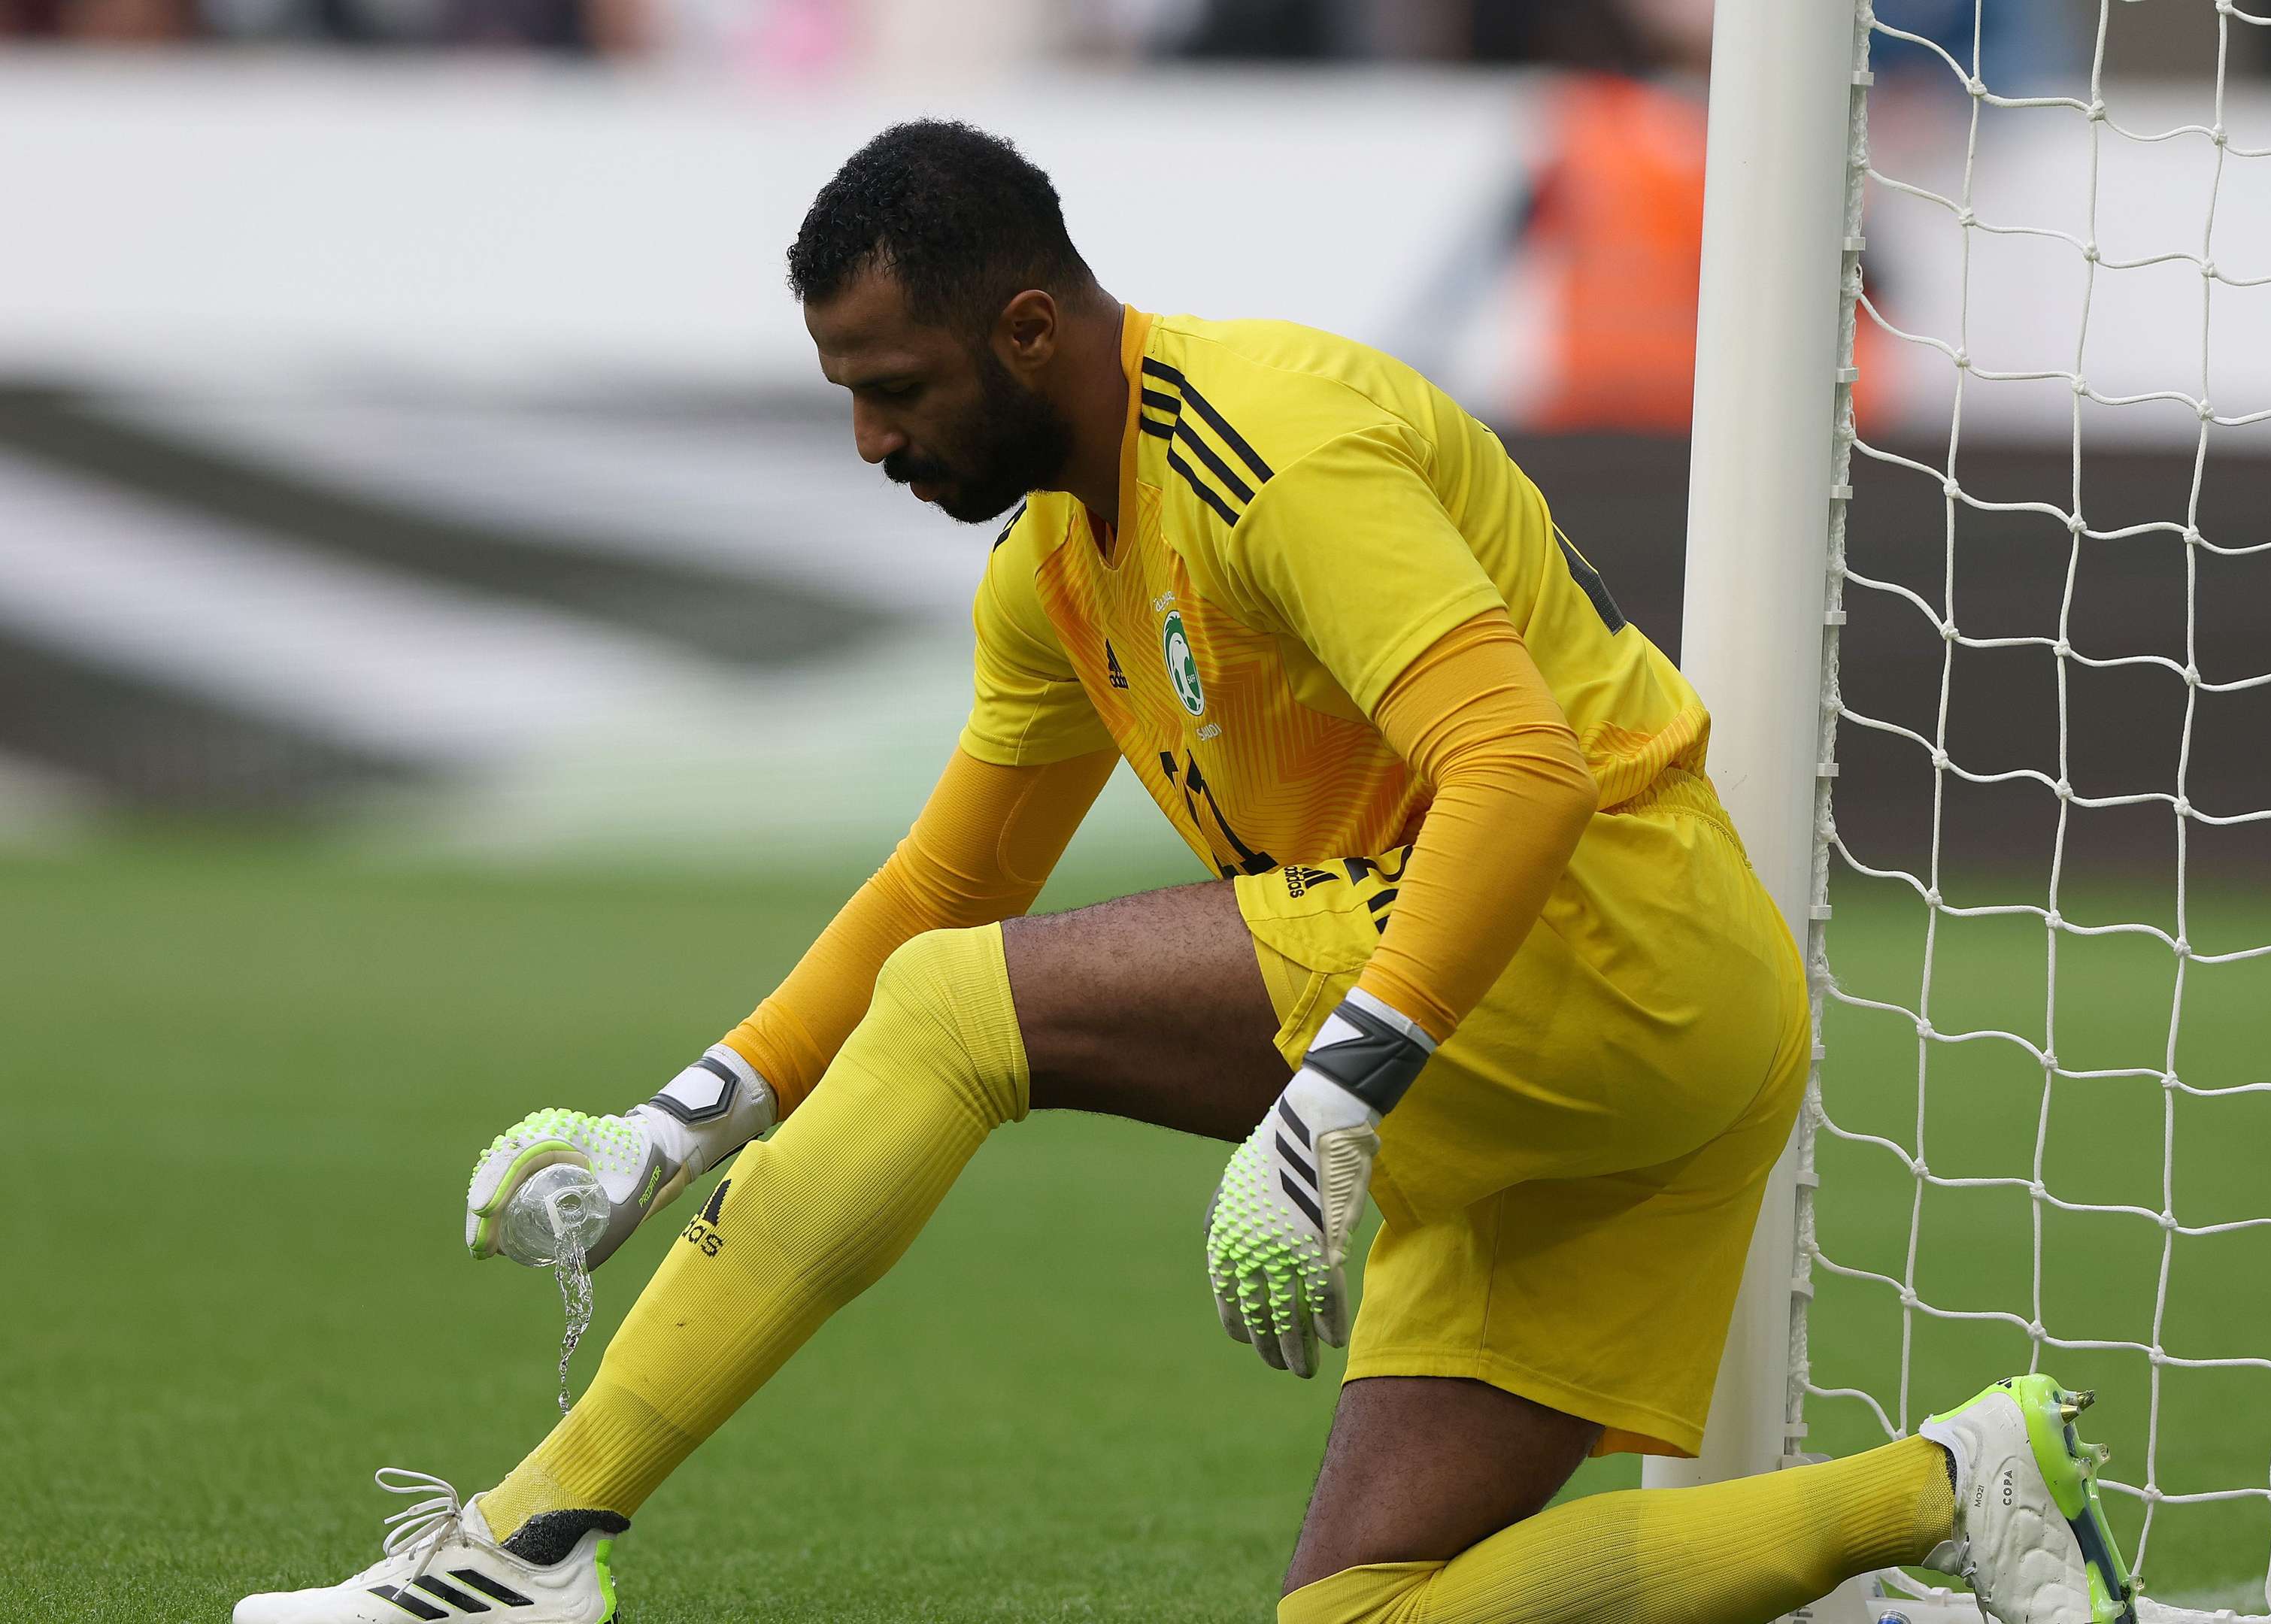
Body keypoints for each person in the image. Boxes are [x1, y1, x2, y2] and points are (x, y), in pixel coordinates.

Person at [232, 120, 2133, 1624]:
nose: (872, 438)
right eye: (843, 393)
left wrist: (1338, 1092)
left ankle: (526, 1547)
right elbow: (937, 885)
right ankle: (1957, 1494)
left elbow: (1522, 769)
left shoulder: (1271, 448)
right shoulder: (1052, 571)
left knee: (960, 1023)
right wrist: (671, 1130)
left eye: (891, 385)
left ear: (1028, 333)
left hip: (1612, 950)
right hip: (1574, 1065)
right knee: (1365, 1614)